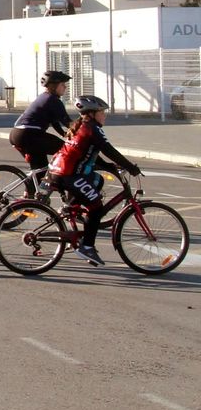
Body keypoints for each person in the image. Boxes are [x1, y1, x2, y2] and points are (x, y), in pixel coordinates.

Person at [47, 95, 140, 266]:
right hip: (68, 175)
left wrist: (110, 167)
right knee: (96, 208)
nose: (104, 115)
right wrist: (131, 167)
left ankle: (71, 209)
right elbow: (108, 150)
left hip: (63, 172)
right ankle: (87, 247)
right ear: (91, 114)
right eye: (102, 112)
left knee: (97, 180)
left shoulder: (84, 126)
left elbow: (91, 153)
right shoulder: (91, 129)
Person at [9, 71, 73, 192]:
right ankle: (60, 182)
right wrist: (86, 124)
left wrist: (64, 134)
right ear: (53, 86)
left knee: (40, 172)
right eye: (62, 84)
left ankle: (28, 200)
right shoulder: (53, 100)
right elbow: (68, 123)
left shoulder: (46, 97)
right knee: (66, 150)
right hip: (28, 135)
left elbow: (54, 121)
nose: (65, 87)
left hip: (19, 134)